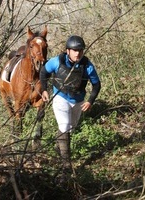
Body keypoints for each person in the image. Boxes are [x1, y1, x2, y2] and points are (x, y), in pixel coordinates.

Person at [40, 35, 101, 173]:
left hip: (78, 100)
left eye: (80, 50)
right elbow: (44, 72)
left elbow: (96, 85)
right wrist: (44, 89)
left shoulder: (87, 66)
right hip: (60, 98)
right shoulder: (57, 61)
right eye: (74, 50)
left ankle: (59, 147)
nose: (77, 53)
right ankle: (66, 165)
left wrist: (90, 101)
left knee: (71, 128)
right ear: (68, 51)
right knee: (65, 126)